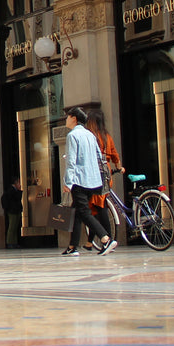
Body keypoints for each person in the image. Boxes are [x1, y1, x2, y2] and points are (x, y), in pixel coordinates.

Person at [59, 108, 116, 256]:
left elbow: (71, 162)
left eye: (68, 117)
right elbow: (99, 157)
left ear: (74, 118)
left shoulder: (73, 135)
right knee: (78, 212)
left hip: (79, 180)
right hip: (93, 180)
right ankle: (73, 246)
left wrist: (68, 182)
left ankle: (105, 238)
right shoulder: (90, 135)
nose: (66, 119)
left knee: (84, 212)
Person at [78, 108, 120, 250]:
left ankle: (107, 240)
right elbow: (114, 154)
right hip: (106, 172)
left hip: (95, 173)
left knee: (98, 208)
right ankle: (91, 242)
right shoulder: (107, 136)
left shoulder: (91, 136)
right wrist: (119, 167)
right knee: (97, 207)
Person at [2, 177, 24, 249]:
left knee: (15, 227)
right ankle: (10, 242)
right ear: (16, 183)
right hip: (12, 211)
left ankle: (14, 242)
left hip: (16, 210)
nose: (20, 185)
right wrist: (8, 208)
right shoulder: (11, 191)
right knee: (12, 227)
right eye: (19, 183)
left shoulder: (15, 191)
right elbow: (6, 199)